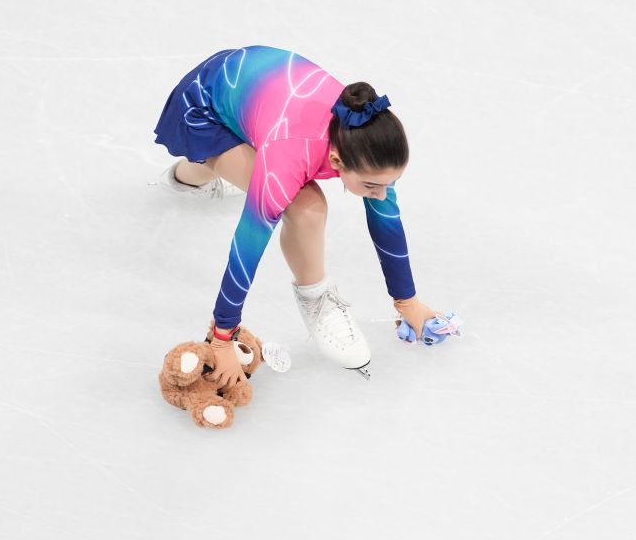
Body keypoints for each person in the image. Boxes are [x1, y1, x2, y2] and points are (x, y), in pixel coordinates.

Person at [152, 45, 441, 387]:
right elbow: (248, 244)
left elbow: (386, 218)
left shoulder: (368, 141)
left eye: (389, 184)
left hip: (256, 100)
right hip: (203, 106)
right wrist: (222, 337)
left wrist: (406, 301)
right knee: (306, 206)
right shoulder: (291, 154)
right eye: (372, 186)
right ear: (336, 161)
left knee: (245, 170)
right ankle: (316, 298)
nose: (382, 193)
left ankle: (190, 175)